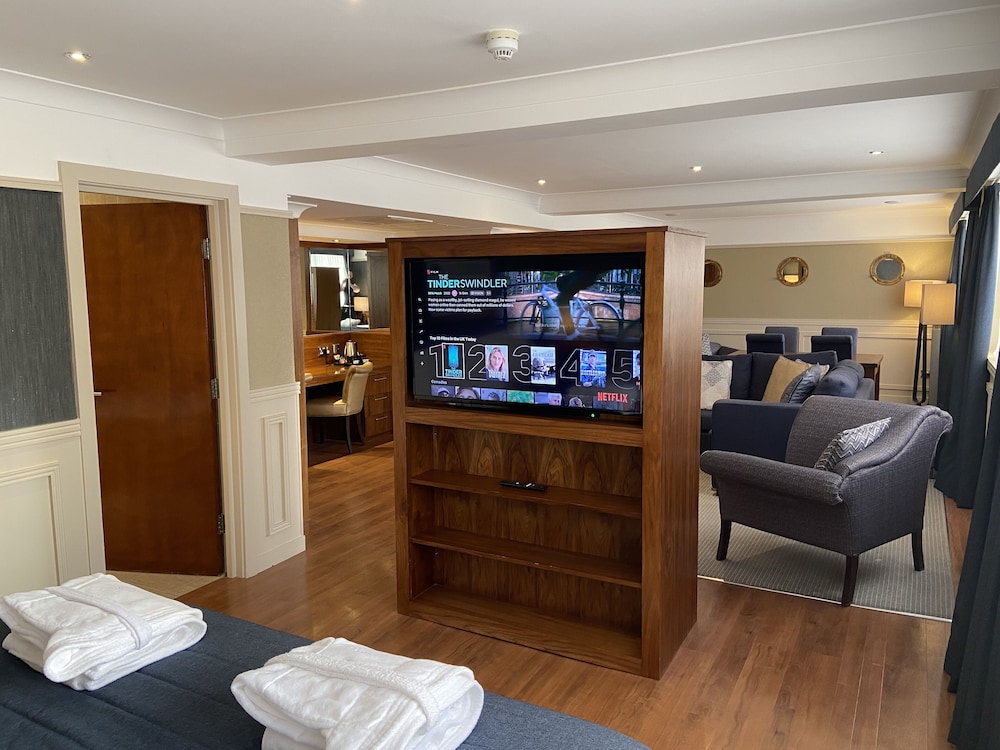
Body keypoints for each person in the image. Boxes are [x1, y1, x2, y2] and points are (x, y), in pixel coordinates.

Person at [554, 268, 604, 338]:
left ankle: (570, 332)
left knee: (561, 299)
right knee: (561, 283)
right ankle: (563, 327)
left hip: (584, 275)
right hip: (584, 274)